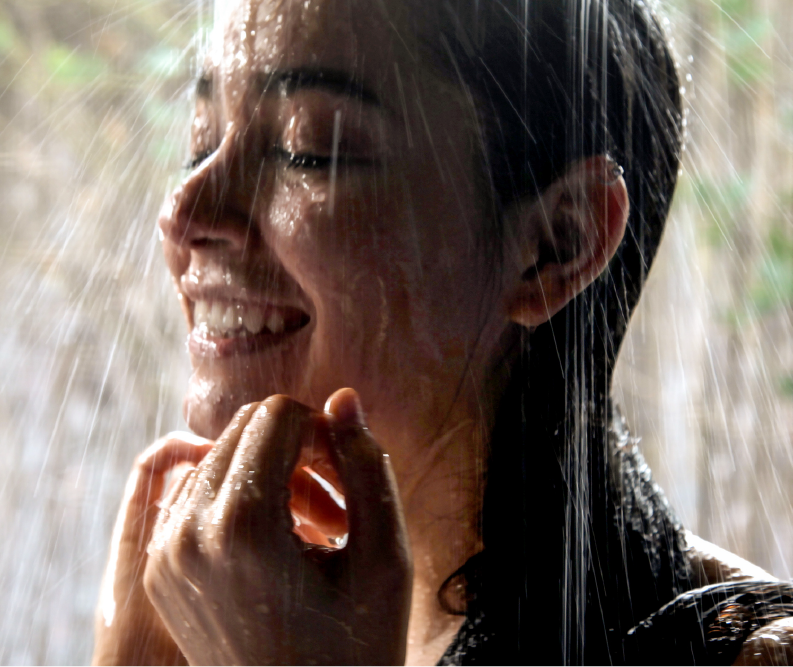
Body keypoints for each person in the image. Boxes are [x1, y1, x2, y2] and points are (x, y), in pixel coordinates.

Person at [90, 0, 793, 665]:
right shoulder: (255, 606)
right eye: (200, 143)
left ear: (558, 244)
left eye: (311, 149)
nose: (185, 211)